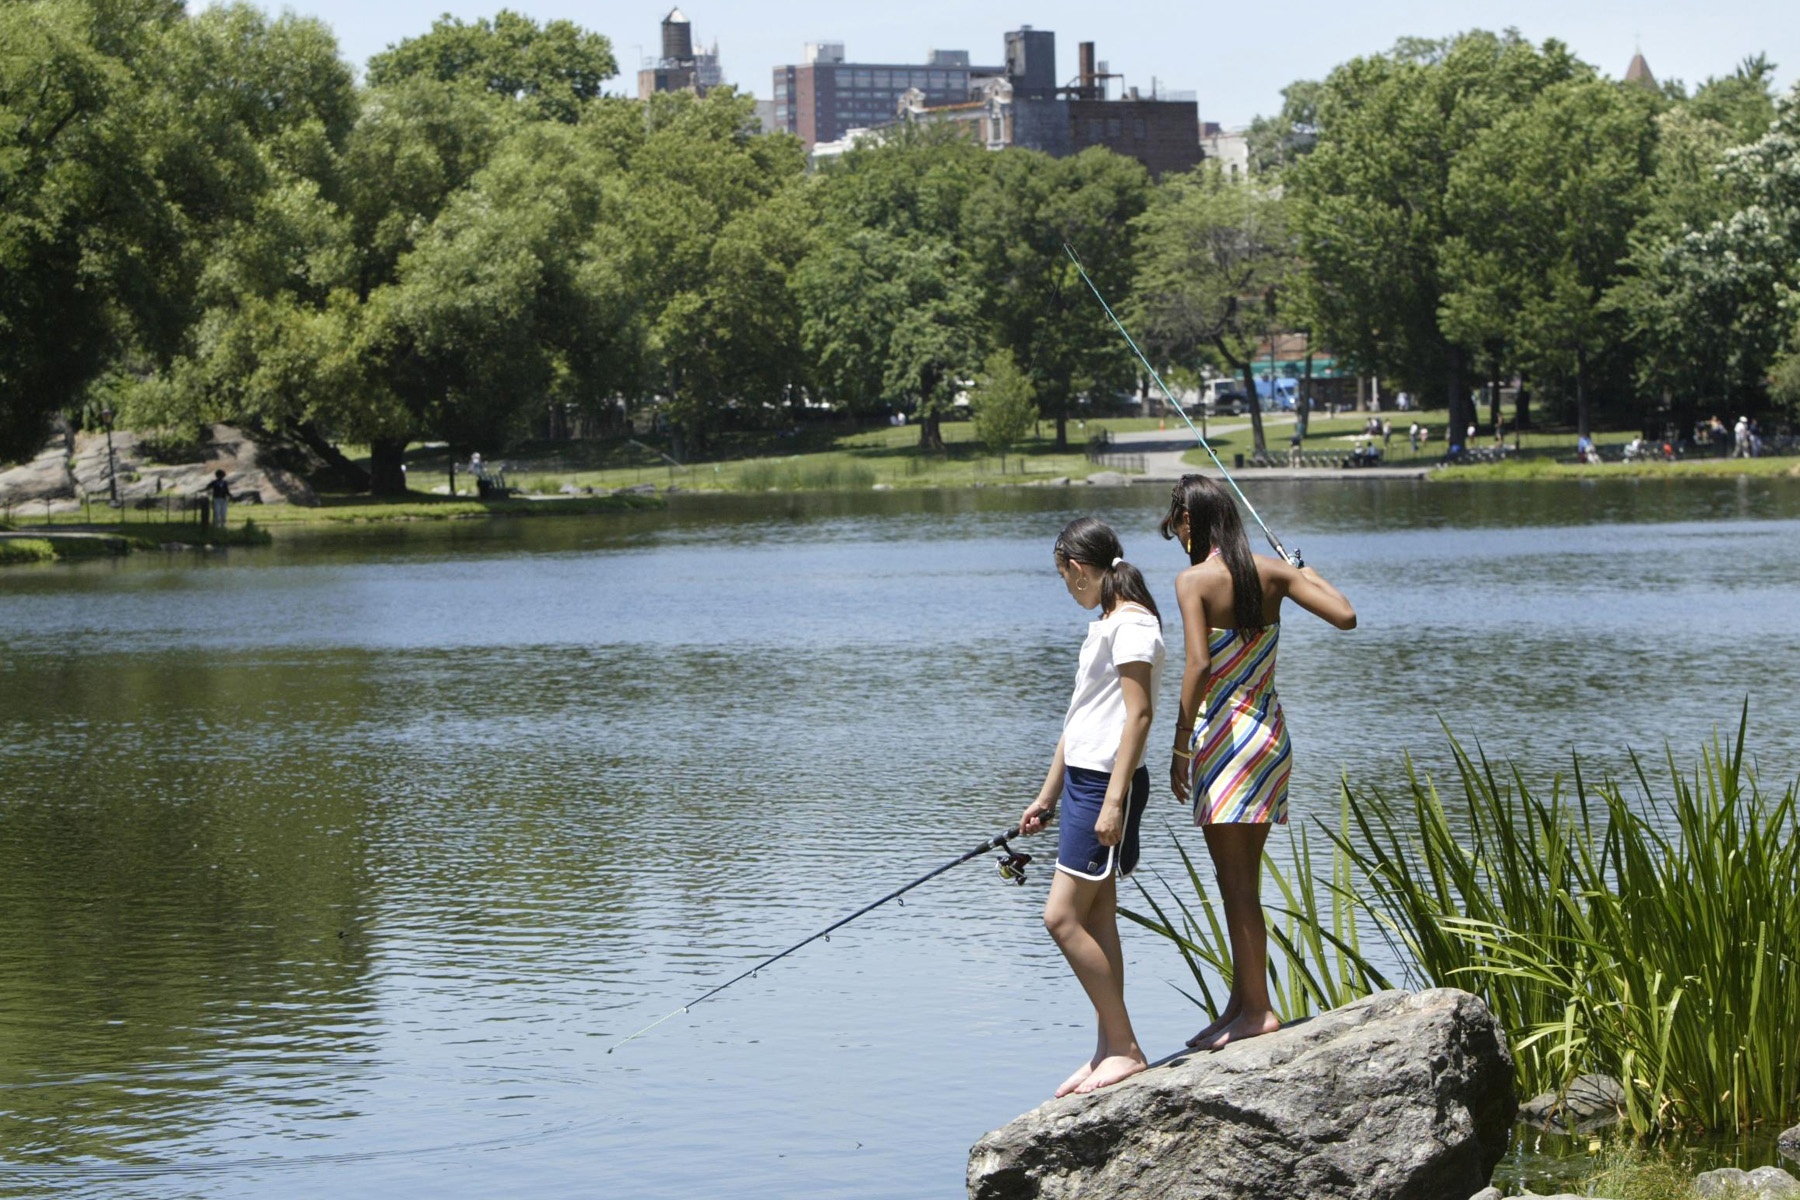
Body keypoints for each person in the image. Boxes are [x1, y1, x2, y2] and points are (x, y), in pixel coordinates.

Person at [1160, 476, 1356, 1050]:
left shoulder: (1193, 581)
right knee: (1239, 880)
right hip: (1268, 737)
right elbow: (1345, 615)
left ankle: (1258, 1012)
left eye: (1175, 526)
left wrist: (1179, 743)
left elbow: (1198, 665)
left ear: (1191, 521)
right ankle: (1243, 1002)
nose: (1175, 536)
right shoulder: (1273, 574)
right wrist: (1302, 568)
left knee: (1236, 882)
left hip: (1222, 738)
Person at [1020, 517, 1166, 1097]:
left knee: (1060, 917)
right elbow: (1079, 721)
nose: (1067, 588)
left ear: (1078, 569)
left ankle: (1126, 1046)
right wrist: (1046, 794)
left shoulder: (1134, 625)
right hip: (1081, 784)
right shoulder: (1104, 625)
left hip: (1105, 787)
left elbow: (1140, 717)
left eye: (1064, 577)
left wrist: (1111, 804)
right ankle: (1107, 1047)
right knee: (1098, 919)